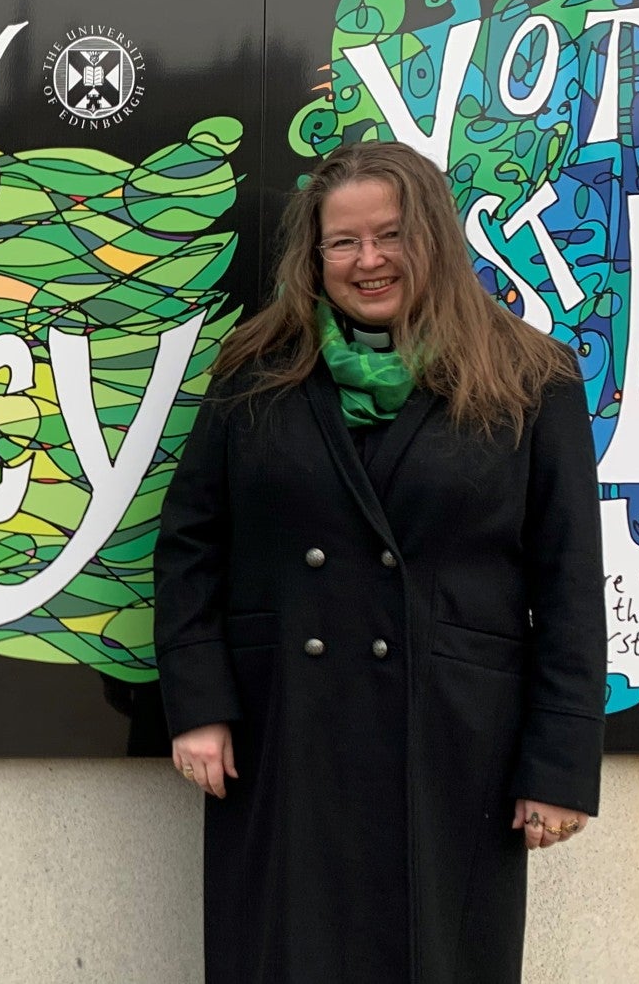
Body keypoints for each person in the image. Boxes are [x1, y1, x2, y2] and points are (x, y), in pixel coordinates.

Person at [151, 141, 605, 984]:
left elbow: (569, 585)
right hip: (285, 737)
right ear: (314, 255)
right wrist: (198, 705)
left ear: (431, 236)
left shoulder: (530, 376)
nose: (368, 261)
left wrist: (561, 766)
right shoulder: (259, 367)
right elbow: (190, 542)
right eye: (343, 242)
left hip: (455, 749)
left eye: (389, 235)